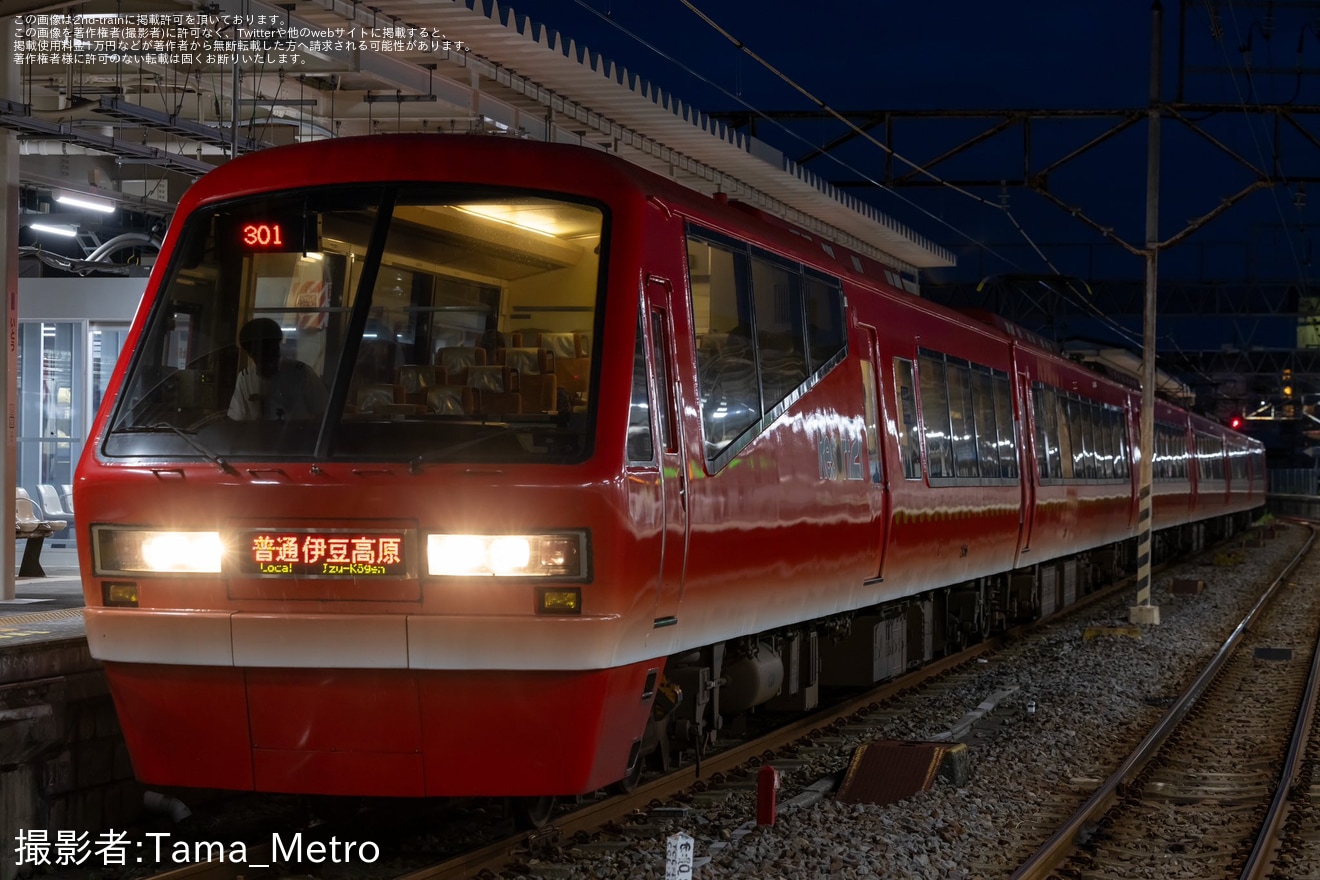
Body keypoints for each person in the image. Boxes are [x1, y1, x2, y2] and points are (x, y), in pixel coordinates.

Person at [228, 317, 329, 421]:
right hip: (259, 436)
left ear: (277, 348)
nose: (266, 355)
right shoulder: (245, 378)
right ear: (250, 354)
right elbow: (237, 418)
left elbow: (324, 411)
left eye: (269, 348)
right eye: (259, 351)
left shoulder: (301, 373)